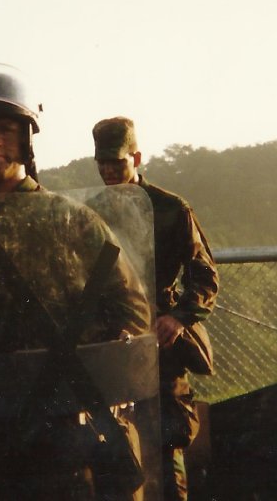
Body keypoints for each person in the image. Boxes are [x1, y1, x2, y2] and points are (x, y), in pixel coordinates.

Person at [0, 64, 154, 500]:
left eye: (5, 130)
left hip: (70, 436)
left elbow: (131, 309)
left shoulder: (72, 219)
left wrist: (103, 361)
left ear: (26, 138)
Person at [92, 117, 220, 501]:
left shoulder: (170, 208)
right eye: (103, 164)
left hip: (158, 335)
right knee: (105, 442)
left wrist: (178, 318)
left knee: (168, 437)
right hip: (107, 337)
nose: (110, 171)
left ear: (137, 157)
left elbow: (205, 274)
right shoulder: (91, 213)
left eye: (117, 162)